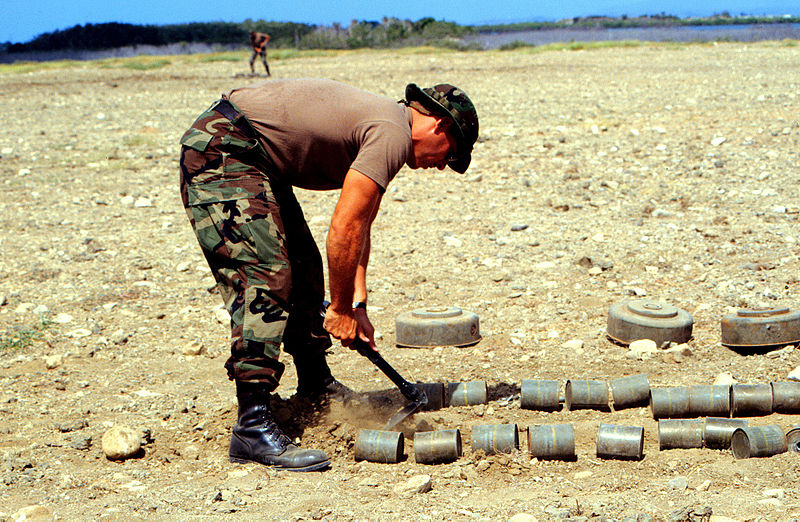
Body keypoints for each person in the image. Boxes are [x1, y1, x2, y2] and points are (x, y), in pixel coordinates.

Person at [178, 79, 478, 471]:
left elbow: (361, 227)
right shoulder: (392, 133)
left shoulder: (389, 128)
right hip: (223, 150)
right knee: (266, 275)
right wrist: (337, 310)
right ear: (440, 125)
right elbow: (343, 227)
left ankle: (315, 385)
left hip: (254, 157)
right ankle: (251, 425)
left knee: (304, 266)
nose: (441, 165)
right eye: (450, 154)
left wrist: (357, 304)